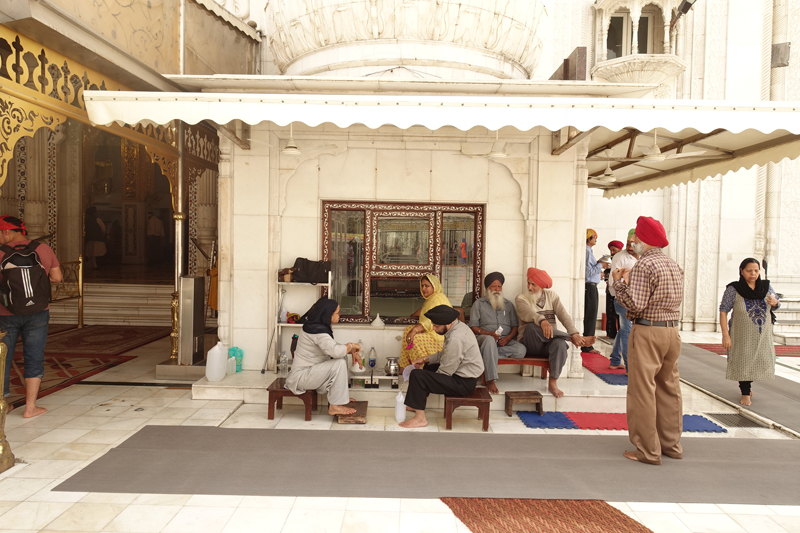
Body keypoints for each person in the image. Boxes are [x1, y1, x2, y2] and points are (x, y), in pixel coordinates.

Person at [612, 216, 683, 465]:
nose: (633, 242)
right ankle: (671, 445)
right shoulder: (672, 264)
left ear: (644, 240)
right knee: (669, 389)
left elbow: (636, 304)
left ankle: (647, 451)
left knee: (642, 391)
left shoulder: (644, 265)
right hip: (672, 331)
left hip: (648, 331)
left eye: (636, 238)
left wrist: (619, 283)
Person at [0, 216, 61, 418]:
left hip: (5, 313)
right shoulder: (42, 249)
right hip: (38, 312)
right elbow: (57, 278)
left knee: (3, 358)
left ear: (7, 232)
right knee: (34, 357)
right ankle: (30, 407)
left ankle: (3, 404)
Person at [400, 305, 484, 428]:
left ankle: (420, 419)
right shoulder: (457, 327)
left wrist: (427, 379)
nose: (433, 328)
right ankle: (416, 403)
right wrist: (424, 359)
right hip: (460, 373)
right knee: (426, 368)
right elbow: (445, 354)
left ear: (448, 323)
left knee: (418, 376)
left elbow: (446, 370)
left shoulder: (456, 338)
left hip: (464, 383)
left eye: (436, 326)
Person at [516, 268, 593, 398]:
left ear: (541, 286)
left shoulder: (552, 296)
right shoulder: (521, 298)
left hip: (549, 342)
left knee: (560, 344)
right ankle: (571, 338)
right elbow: (528, 313)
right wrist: (542, 321)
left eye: (533, 284)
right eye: (528, 283)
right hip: (530, 343)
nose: (529, 287)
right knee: (531, 326)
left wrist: (573, 331)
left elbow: (564, 315)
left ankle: (553, 383)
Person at [285, 297, 363, 416]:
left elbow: (333, 349)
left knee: (341, 359)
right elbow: (335, 351)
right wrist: (351, 345)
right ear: (328, 314)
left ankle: (338, 399)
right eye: (338, 312)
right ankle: (335, 406)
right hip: (301, 377)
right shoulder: (317, 330)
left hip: (310, 373)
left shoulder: (316, 326)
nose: (340, 315)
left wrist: (350, 350)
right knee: (339, 362)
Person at [719, 258, 780, 406]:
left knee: (759, 360)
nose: (753, 273)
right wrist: (725, 335)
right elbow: (723, 311)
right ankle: (745, 392)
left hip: (761, 335)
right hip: (741, 335)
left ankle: (748, 386)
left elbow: (776, 302)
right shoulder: (733, 289)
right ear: (741, 271)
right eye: (749, 270)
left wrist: (775, 303)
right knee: (743, 361)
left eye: (756, 270)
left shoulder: (766, 287)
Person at [470, 272, 526, 394]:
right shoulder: (479, 304)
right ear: (487, 288)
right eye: (493, 286)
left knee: (521, 350)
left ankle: (488, 353)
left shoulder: (508, 305)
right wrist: (489, 334)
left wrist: (508, 338)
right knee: (489, 341)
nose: (497, 289)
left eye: (499, 286)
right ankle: (490, 380)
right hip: (484, 337)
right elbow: (473, 327)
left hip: (504, 340)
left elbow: (515, 326)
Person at [398, 274, 452, 369]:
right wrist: (406, 318)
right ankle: (405, 367)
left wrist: (415, 330)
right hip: (431, 335)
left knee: (416, 338)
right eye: (422, 286)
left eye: (427, 286)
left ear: (434, 286)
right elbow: (423, 312)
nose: (423, 288)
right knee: (408, 330)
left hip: (440, 339)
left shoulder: (438, 299)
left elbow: (432, 321)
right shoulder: (430, 300)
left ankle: (421, 368)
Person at [608, 230, 639, 371]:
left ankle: (615, 360)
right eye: (628, 244)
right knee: (627, 331)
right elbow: (612, 282)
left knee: (623, 329)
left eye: (633, 244)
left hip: (635, 301)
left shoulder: (642, 256)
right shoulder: (620, 257)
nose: (630, 248)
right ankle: (629, 367)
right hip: (622, 300)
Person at [584, 229, 609, 353]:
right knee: (590, 316)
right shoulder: (587, 251)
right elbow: (588, 272)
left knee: (591, 315)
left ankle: (587, 344)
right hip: (589, 287)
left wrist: (598, 264)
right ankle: (587, 345)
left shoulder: (589, 251)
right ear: (589, 238)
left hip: (591, 286)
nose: (596, 239)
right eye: (595, 237)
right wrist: (601, 266)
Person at [604, 240, 624, 340]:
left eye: (613, 250)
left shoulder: (622, 258)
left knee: (620, 315)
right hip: (610, 289)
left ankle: (620, 334)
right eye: (611, 250)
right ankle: (611, 333)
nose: (612, 252)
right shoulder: (612, 259)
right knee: (610, 312)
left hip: (619, 290)